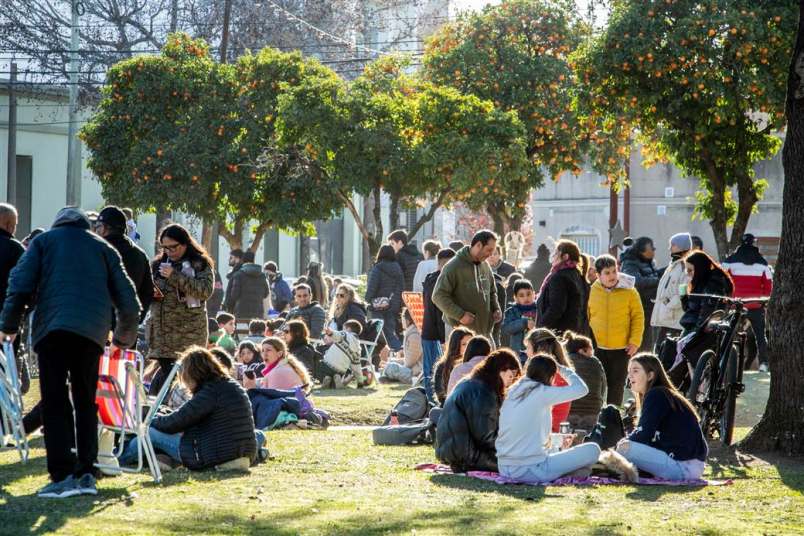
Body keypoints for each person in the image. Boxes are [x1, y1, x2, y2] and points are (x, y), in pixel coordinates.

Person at [0, 207, 140, 498]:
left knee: (54, 400)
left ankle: (61, 473)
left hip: (51, 329)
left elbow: (19, 284)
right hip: (92, 333)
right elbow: (129, 301)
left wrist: (9, 325)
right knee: (86, 399)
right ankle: (87, 470)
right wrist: (122, 341)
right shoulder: (104, 248)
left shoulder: (43, 242)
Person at [119, 346, 259, 471]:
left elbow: (174, 423)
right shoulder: (228, 385)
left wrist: (149, 419)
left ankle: (119, 459)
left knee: (150, 433)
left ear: (192, 373)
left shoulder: (209, 392)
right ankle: (163, 459)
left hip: (218, 455)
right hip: (243, 453)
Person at [496, 353, 600, 483]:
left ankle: (572, 471)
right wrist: (561, 369)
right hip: (530, 470)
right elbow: (582, 389)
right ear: (551, 377)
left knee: (570, 459)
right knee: (593, 449)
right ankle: (572, 472)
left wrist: (557, 439)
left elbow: (527, 434)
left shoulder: (513, 390)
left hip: (504, 468)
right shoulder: (541, 391)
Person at [147, 224, 215, 396]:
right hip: (163, 333)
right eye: (165, 248)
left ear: (185, 244)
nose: (169, 251)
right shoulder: (158, 264)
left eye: (173, 247)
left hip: (188, 332)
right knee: (165, 375)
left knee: (188, 376)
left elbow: (204, 291)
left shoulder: (200, 264)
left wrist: (175, 276)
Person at [616, 353, 708, 480]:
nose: (630, 375)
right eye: (629, 371)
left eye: (635, 371)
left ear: (650, 375)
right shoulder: (662, 393)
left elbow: (643, 435)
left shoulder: (656, 394)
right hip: (689, 466)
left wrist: (620, 445)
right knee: (624, 447)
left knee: (624, 448)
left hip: (682, 466)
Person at [435, 349, 522, 473]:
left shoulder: (473, 383)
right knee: (519, 467)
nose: (510, 382)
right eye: (511, 376)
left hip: (454, 450)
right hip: (465, 454)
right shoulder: (483, 392)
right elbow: (487, 437)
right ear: (500, 371)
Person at [588, 254, 644, 406]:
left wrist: (634, 342)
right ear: (598, 275)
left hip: (621, 348)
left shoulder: (630, 291)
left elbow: (638, 318)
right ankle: (597, 415)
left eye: (614, 271)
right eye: (607, 273)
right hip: (598, 348)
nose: (612, 276)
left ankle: (613, 415)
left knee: (616, 385)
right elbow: (586, 317)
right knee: (597, 384)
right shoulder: (592, 291)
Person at [432, 230, 502, 340]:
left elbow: (492, 291)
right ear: (478, 245)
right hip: (460, 335)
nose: (490, 255)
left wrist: (495, 308)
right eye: (488, 250)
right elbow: (438, 296)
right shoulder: (453, 267)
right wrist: (460, 315)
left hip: (484, 332)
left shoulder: (485, 266)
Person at [722, 233, 773, 372]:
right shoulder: (762, 263)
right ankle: (763, 364)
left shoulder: (729, 261)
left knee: (729, 334)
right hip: (755, 305)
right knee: (760, 336)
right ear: (753, 243)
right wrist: (762, 300)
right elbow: (769, 285)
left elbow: (722, 279)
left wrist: (728, 298)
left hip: (736, 305)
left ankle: (725, 361)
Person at [421, 248, 456, 403]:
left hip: (428, 331)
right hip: (438, 333)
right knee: (439, 370)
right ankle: (436, 401)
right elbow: (440, 313)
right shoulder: (442, 282)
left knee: (430, 370)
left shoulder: (429, 279)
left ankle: (431, 401)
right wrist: (444, 338)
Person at [522, 328, 573, 432]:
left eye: (528, 347)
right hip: (553, 431)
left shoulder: (548, 376)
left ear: (539, 349)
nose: (526, 352)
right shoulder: (563, 373)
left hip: (543, 432)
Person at [651, 233, 693, 349]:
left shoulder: (685, 267)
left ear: (681, 246)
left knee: (667, 355)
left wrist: (667, 303)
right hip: (666, 319)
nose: (670, 248)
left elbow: (684, 291)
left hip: (674, 321)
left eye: (673, 245)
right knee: (659, 351)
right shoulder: (673, 265)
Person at [535, 239, 585, 334]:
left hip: (556, 333)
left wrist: (540, 328)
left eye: (556, 253)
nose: (553, 256)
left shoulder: (559, 277)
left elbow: (556, 308)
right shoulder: (577, 275)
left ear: (565, 256)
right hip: (572, 331)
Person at [620, 237, 659, 351]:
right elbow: (635, 281)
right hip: (640, 307)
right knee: (643, 344)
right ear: (642, 251)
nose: (654, 250)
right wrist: (658, 280)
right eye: (651, 248)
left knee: (650, 343)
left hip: (650, 306)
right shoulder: (630, 262)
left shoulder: (649, 262)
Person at [680, 251, 734, 333]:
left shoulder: (712, 283)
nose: (688, 274)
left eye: (690, 270)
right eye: (686, 270)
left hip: (701, 331)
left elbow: (708, 312)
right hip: (695, 328)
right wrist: (683, 297)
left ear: (699, 269)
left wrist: (696, 332)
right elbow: (690, 309)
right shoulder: (700, 282)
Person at [564, 332, 607, 430]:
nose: (593, 352)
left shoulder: (565, 362)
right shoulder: (596, 362)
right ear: (582, 351)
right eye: (591, 348)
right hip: (593, 414)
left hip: (569, 413)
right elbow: (603, 387)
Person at [365, 245, 404, 352]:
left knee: (378, 334)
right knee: (389, 332)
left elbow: (372, 287)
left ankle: (397, 350)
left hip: (378, 306)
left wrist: (368, 299)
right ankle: (396, 352)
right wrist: (395, 304)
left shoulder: (377, 268)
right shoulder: (398, 269)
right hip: (392, 306)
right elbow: (401, 288)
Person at [244, 337, 312, 392]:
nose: (264, 354)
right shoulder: (283, 366)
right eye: (263, 350)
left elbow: (268, 401)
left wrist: (251, 388)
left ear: (279, 354)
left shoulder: (278, 372)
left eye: (268, 350)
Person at [433, 328, 473, 406]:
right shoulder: (443, 366)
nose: (468, 347)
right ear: (456, 345)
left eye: (470, 344)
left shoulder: (476, 364)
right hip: (451, 408)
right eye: (464, 344)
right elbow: (441, 395)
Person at [224, 250, 269, 320]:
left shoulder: (238, 275)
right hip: (258, 314)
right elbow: (266, 294)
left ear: (243, 260)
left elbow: (234, 295)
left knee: (241, 331)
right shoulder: (262, 276)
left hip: (241, 313)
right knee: (256, 330)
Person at [317, 320, 363, 388]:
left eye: (343, 328)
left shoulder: (345, 335)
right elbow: (357, 368)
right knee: (335, 381)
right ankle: (336, 381)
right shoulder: (358, 350)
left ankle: (326, 378)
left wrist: (330, 332)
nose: (342, 330)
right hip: (340, 371)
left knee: (318, 369)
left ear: (348, 329)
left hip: (327, 365)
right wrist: (360, 382)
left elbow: (337, 335)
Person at [502, 279, 539, 358]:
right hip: (519, 352)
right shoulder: (512, 311)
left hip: (537, 350)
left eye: (528, 294)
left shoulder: (539, 309)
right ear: (516, 298)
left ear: (534, 294)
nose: (526, 298)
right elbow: (507, 328)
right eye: (521, 295)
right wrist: (524, 323)